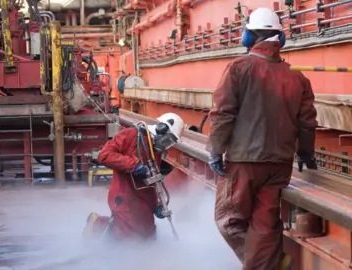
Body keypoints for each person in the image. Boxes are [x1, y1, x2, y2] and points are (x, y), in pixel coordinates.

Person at [206, 7, 319, 270]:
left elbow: (223, 114)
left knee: (229, 219)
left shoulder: (238, 68)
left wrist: (215, 149)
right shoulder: (297, 76)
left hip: (243, 161)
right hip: (279, 164)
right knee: (265, 226)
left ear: (249, 35)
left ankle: (272, 265)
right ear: (279, 39)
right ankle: (269, 263)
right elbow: (307, 122)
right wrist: (305, 153)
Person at [82, 112, 184, 242]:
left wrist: (155, 206)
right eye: (168, 140)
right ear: (161, 129)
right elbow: (105, 155)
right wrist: (133, 165)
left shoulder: (154, 150)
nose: (166, 145)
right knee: (126, 234)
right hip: (124, 194)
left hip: (143, 198)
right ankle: (97, 223)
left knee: (148, 233)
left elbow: (152, 181)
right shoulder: (130, 135)